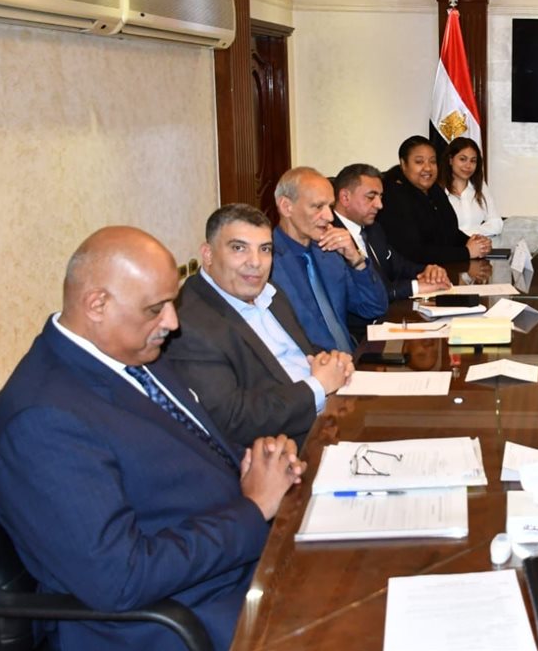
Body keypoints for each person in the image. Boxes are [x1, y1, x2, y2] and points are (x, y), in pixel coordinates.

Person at [0, 226, 305, 651]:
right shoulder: (42, 420)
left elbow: (191, 449)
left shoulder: (134, 353)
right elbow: (121, 579)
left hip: (236, 565)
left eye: (172, 302)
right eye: (155, 309)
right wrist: (253, 508)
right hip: (176, 618)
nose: (172, 322)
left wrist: (255, 461)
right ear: (97, 304)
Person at [164, 204, 355, 448]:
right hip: (290, 447)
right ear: (208, 254)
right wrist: (318, 386)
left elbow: (300, 350)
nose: (256, 262)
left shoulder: (270, 293)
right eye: (239, 248)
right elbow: (232, 419)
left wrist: (332, 361)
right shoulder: (189, 325)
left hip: (332, 414)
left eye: (265, 249)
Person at [270, 166, 387, 353]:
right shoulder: (267, 262)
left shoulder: (329, 253)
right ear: (286, 207)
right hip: (310, 366)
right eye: (318, 207)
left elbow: (374, 307)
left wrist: (355, 259)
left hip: (352, 358)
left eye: (330, 207)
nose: (329, 216)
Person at [331, 163, 450, 324]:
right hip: (359, 330)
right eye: (371, 197)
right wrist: (415, 287)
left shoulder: (374, 229)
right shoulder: (330, 239)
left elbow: (400, 266)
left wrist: (429, 271)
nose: (379, 205)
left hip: (389, 318)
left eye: (380, 197)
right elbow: (366, 294)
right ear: (345, 197)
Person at [379, 135, 492, 264]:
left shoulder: (434, 189)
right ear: (404, 164)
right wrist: (466, 252)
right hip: (415, 273)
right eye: (419, 162)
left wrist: (475, 243)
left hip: (443, 268)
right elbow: (413, 252)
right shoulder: (393, 197)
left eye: (432, 161)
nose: (428, 168)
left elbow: (450, 233)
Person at [441, 137, 503, 236]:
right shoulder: (438, 189)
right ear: (450, 160)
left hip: (479, 244)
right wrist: (464, 238)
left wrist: (469, 236)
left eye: (473, 161)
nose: (468, 166)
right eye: (462, 159)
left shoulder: (480, 186)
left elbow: (497, 224)